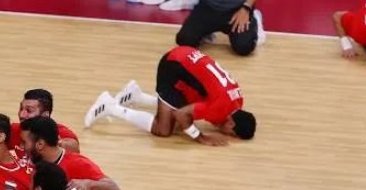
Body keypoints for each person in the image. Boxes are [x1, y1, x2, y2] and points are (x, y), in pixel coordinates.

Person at [84, 46, 256, 146]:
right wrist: (201, 137)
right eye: (231, 133)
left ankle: (137, 96)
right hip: (173, 67)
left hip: (187, 57)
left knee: (184, 122)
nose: (227, 135)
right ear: (231, 123)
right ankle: (110, 106)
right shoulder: (219, 108)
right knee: (164, 129)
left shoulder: (237, 101)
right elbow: (181, 114)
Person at [9, 89, 80, 155]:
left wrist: (56, 143)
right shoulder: (14, 130)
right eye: (21, 108)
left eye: (29, 110)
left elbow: (73, 147)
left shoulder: (58, 132)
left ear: (45, 115)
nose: (21, 115)